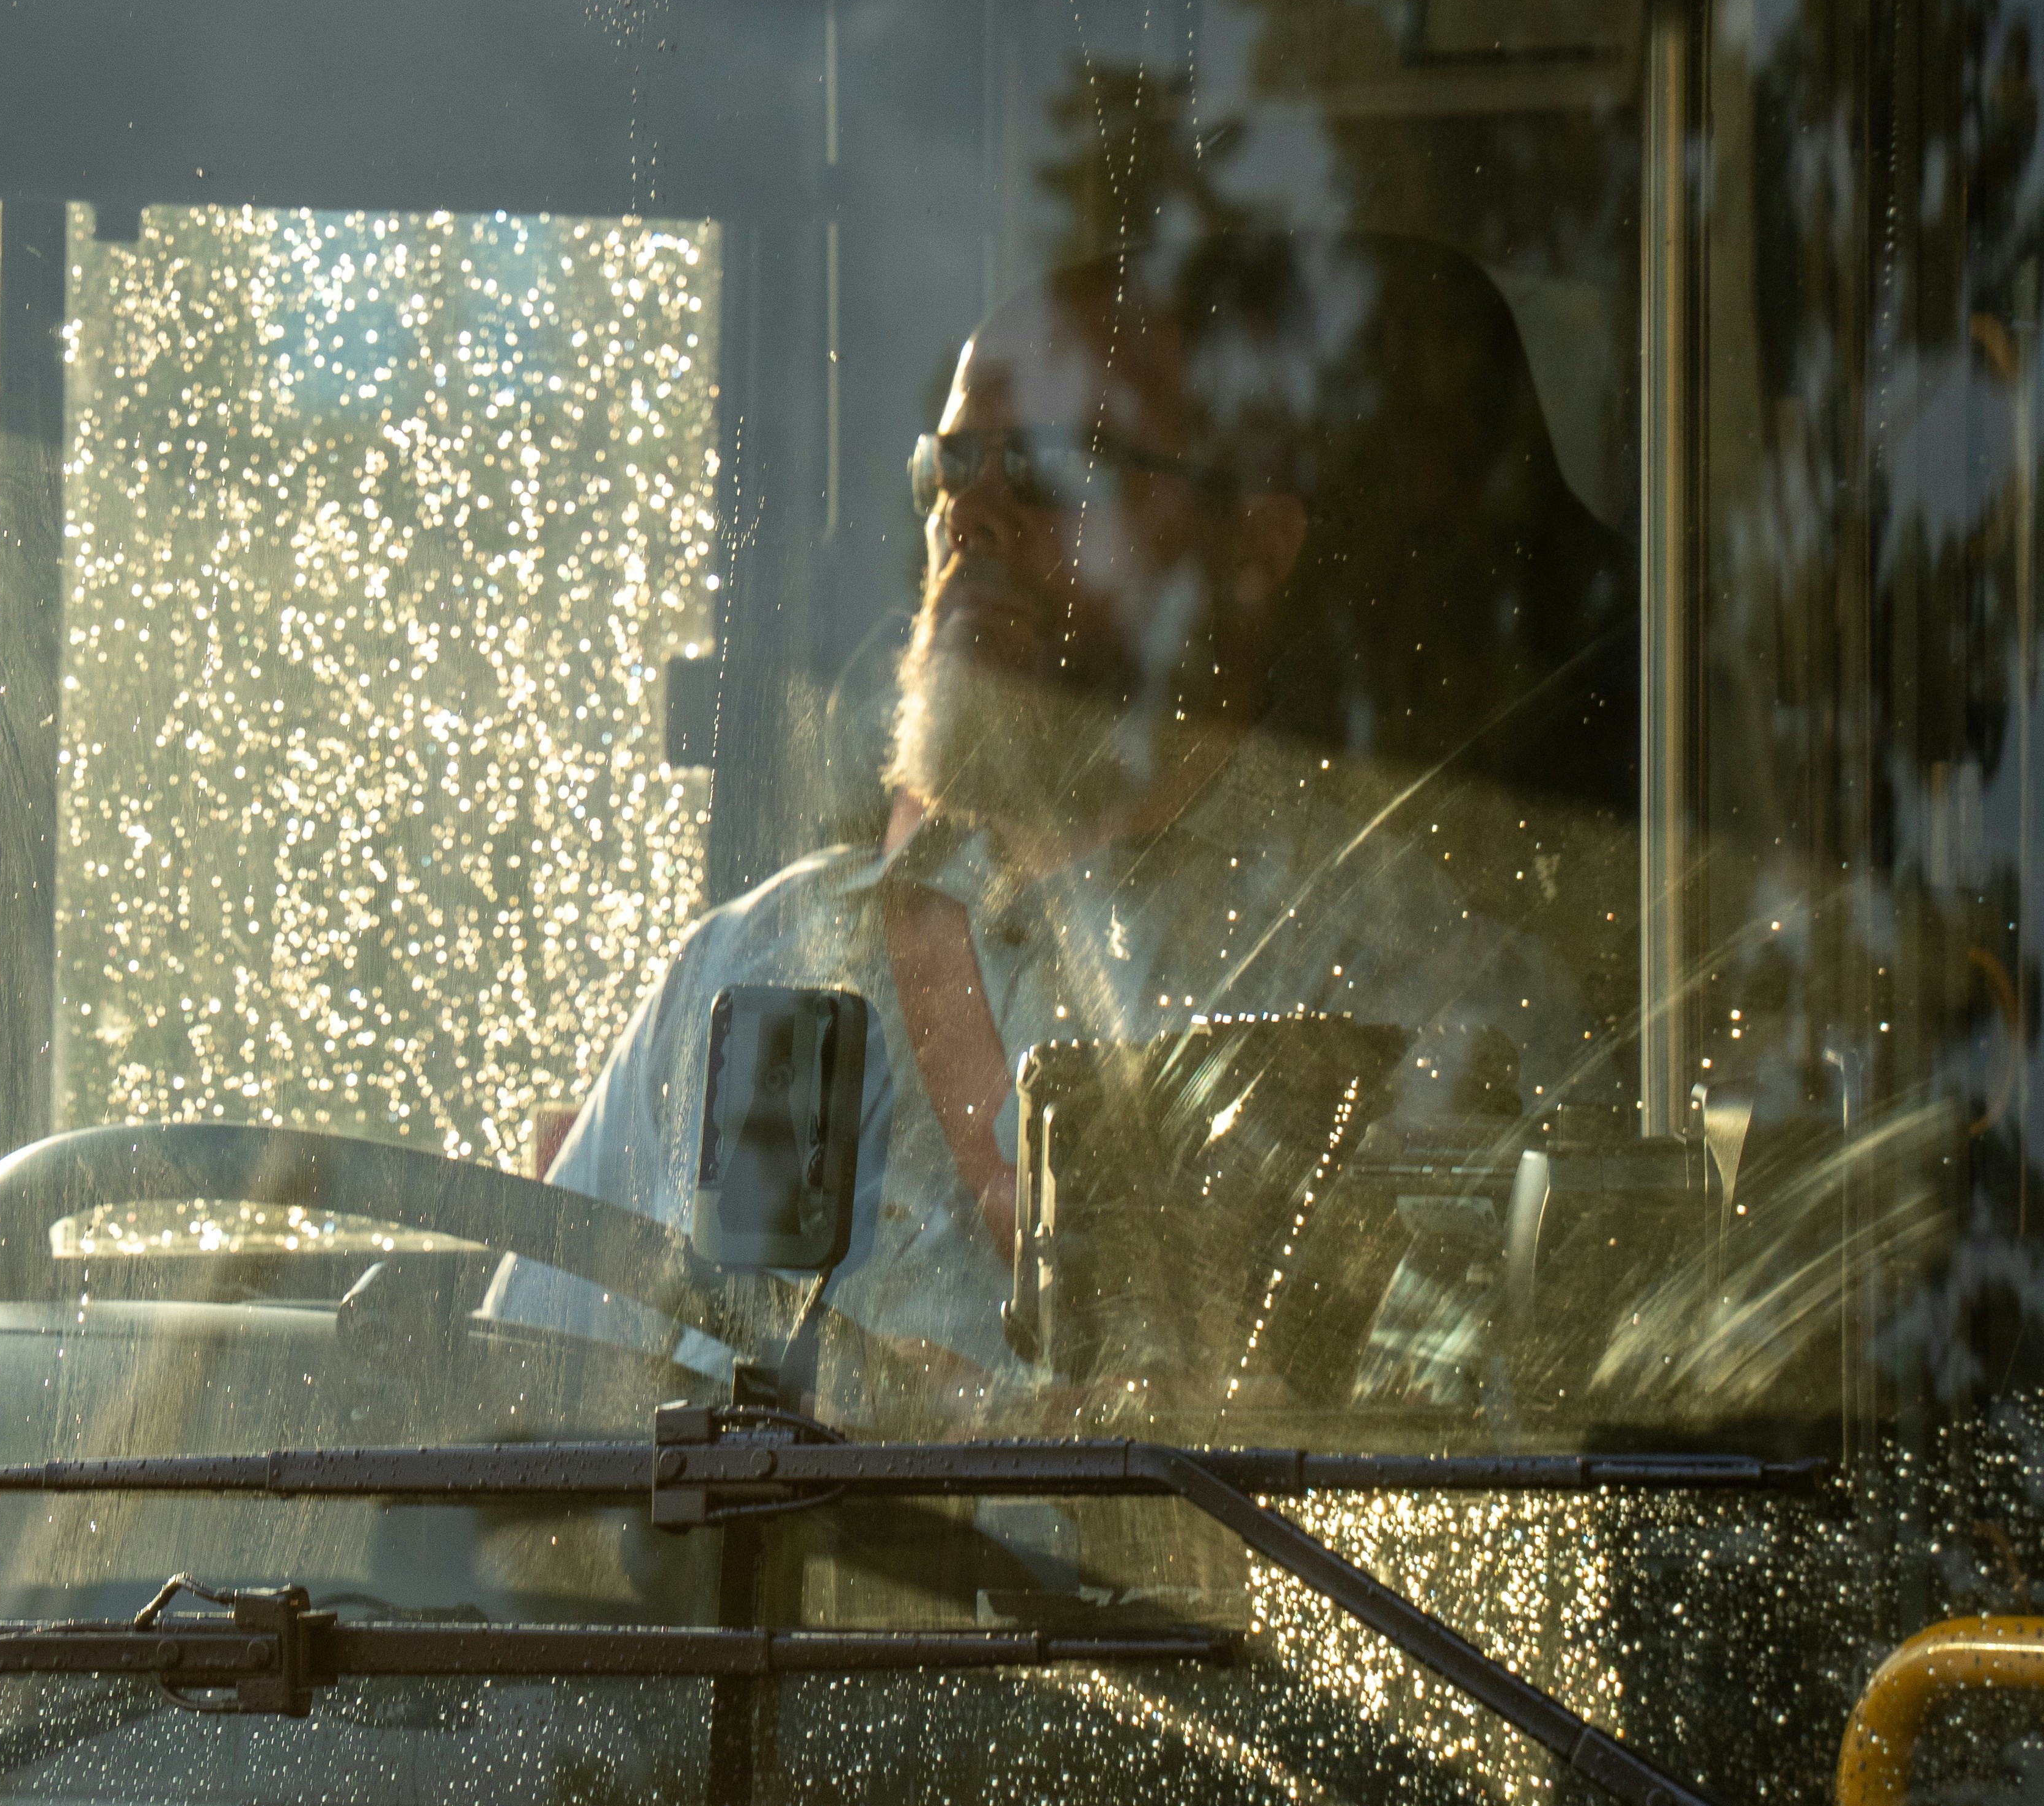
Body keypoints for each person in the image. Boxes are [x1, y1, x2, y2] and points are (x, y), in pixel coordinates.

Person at [497, 230, 1619, 1448]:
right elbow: (520, 1460)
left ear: (1250, 550)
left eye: (1041, 468)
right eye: (946, 470)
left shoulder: (1424, 999)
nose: (967, 516)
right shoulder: (747, 965)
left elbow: (1479, 1523)